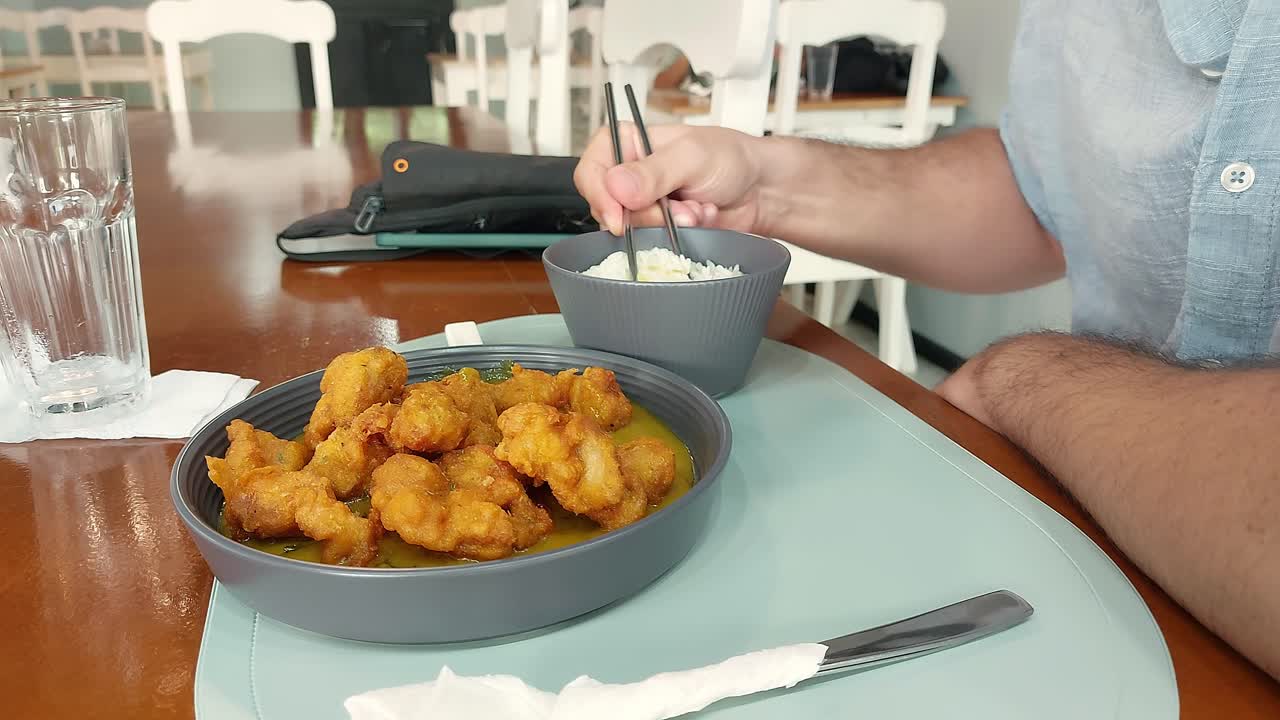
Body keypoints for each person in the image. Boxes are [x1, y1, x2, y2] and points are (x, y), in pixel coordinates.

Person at [573, 0, 1280, 681]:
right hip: (1081, 535)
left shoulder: (1031, 386)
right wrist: (767, 183)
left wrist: (1028, 380)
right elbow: (1041, 198)